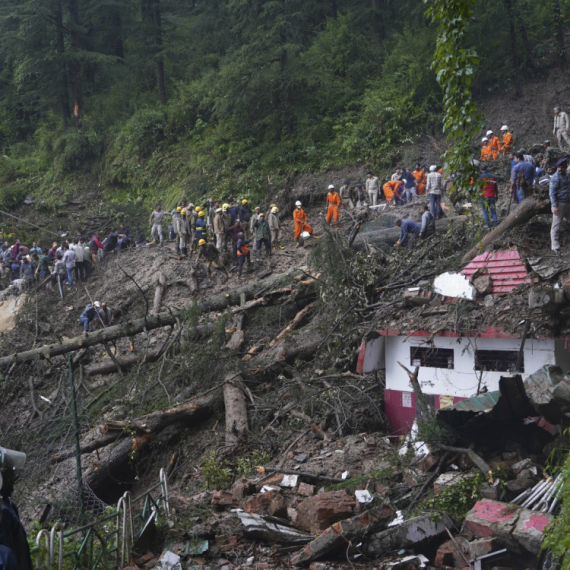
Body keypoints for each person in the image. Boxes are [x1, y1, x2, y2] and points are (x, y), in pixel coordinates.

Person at [0, 466, 32, 570]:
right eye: (8, 479)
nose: (12, 483)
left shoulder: (9, 504)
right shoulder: (3, 511)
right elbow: (8, 549)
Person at [549, 158, 570, 254]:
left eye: (562, 167)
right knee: (556, 226)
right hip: (559, 204)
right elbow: (552, 193)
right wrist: (555, 205)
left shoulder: (567, 175)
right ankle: (555, 247)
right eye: (558, 167)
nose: (560, 169)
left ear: (566, 166)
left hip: (568, 203)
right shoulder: (555, 177)